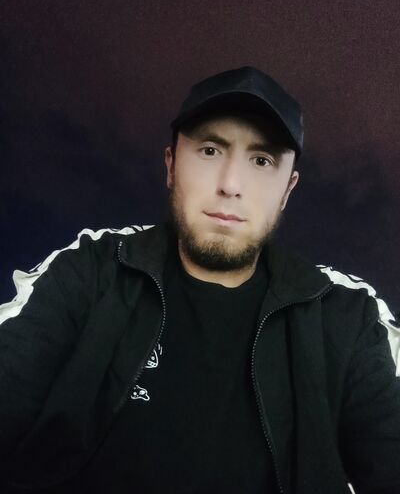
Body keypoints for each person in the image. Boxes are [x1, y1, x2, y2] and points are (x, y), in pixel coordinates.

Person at [0, 66, 399, 494]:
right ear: (171, 165)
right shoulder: (92, 267)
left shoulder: (348, 313)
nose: (231, 185)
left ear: (288, 189)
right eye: (210, 150)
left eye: (262, 160)